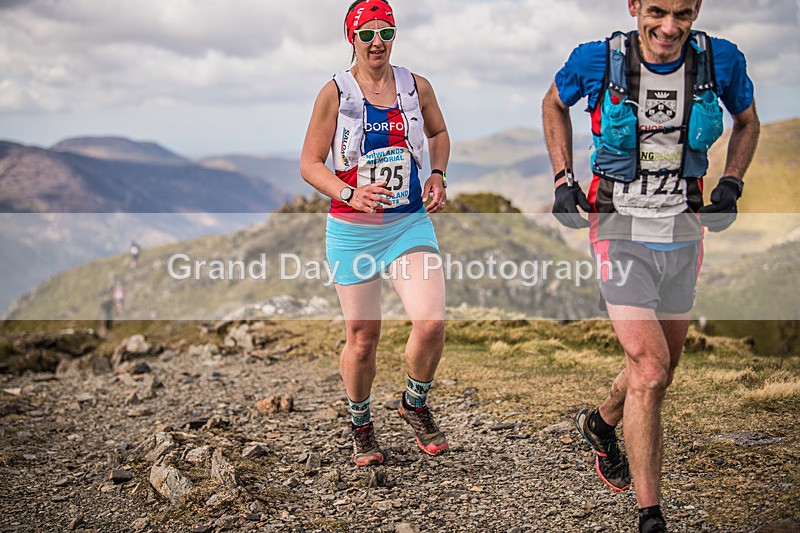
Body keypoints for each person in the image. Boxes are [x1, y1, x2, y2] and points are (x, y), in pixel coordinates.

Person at [542, 1, 759, 531]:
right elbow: (553, 103)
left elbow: (748, 122)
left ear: (697, 10)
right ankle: (649, 514)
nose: (669, 27)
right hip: (619, 230)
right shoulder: (598, 60)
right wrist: (562, 178)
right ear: (635, 6)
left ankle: (601, 421)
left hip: (684, 233)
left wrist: (731, 182)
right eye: (657, 11)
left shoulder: (719, 62)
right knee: (651, 367)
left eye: (682, 13)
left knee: (660, 372)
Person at [300, 0, 450, 466]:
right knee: (363, 337)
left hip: (407, 222)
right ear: (352, 38)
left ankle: (415, 402)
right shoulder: (335, 93)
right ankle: (361, 424)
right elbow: (309, 164)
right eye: (366, 34)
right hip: (353, 230)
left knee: (431, 324)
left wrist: (438, 174)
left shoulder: (415, 85)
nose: (377, 42)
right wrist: (349, 195)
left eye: (385, 32)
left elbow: (439, 132)